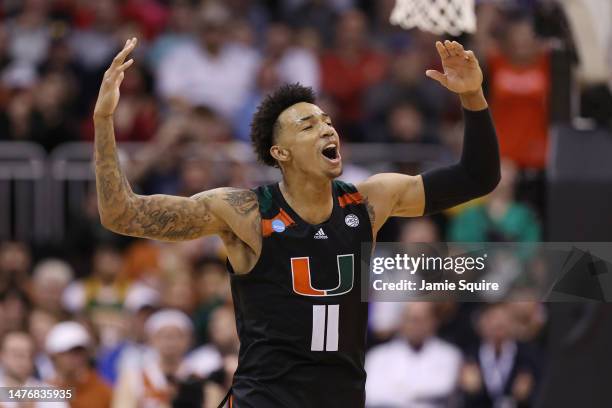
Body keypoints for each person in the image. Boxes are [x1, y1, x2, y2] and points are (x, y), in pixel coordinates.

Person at [93, 37, 500, 407]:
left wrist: (473, 97)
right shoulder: (245, 211)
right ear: (281, 152)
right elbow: (122, 214)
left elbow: (478, 177)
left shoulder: (369, 200)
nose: (326, 128)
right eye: (308, 125)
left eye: (326, 120)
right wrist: (104, 122)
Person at [365, 303, 462, 407]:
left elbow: (444, 387)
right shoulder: (377, 356)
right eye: (411, 319)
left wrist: (398, 389)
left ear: (433, 322)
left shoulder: (450, 355)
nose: (416, 326)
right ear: (401, 321)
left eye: (421, 320)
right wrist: (418, 395)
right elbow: (372, 395)